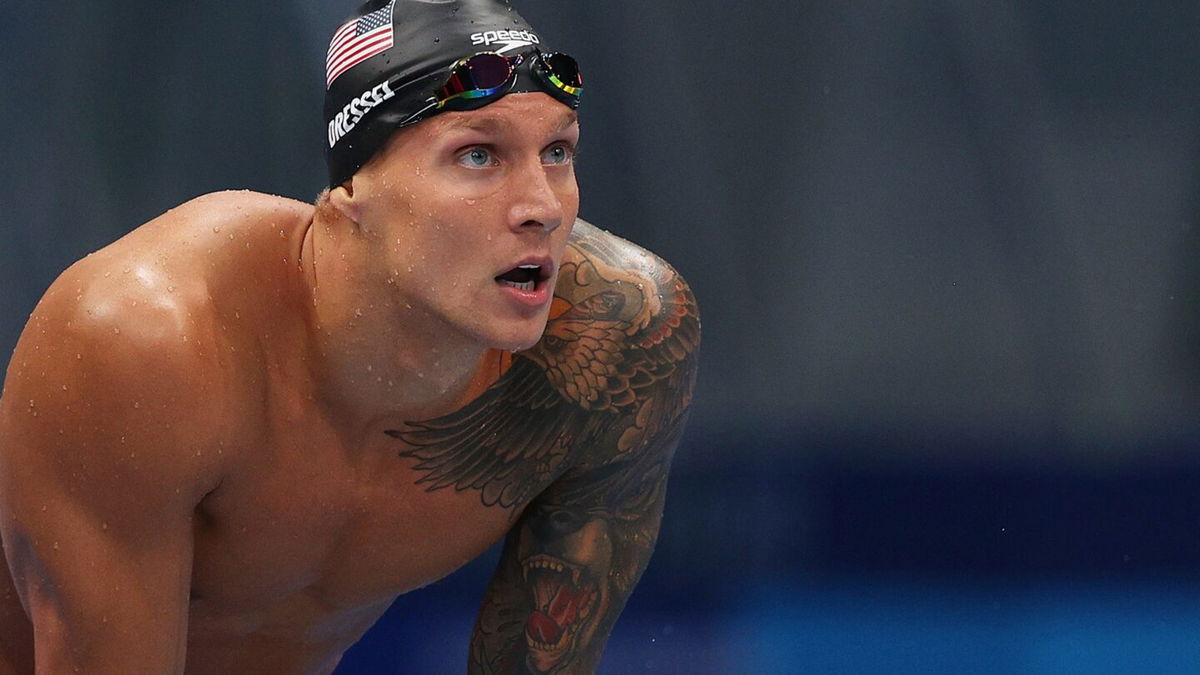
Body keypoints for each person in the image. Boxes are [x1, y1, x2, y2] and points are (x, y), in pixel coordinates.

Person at [0, 0, 699, 673]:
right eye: (478, 156)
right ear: (351, 190)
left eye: (556, 151)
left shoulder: (623, 334)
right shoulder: (153, 343)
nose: (543, 208)